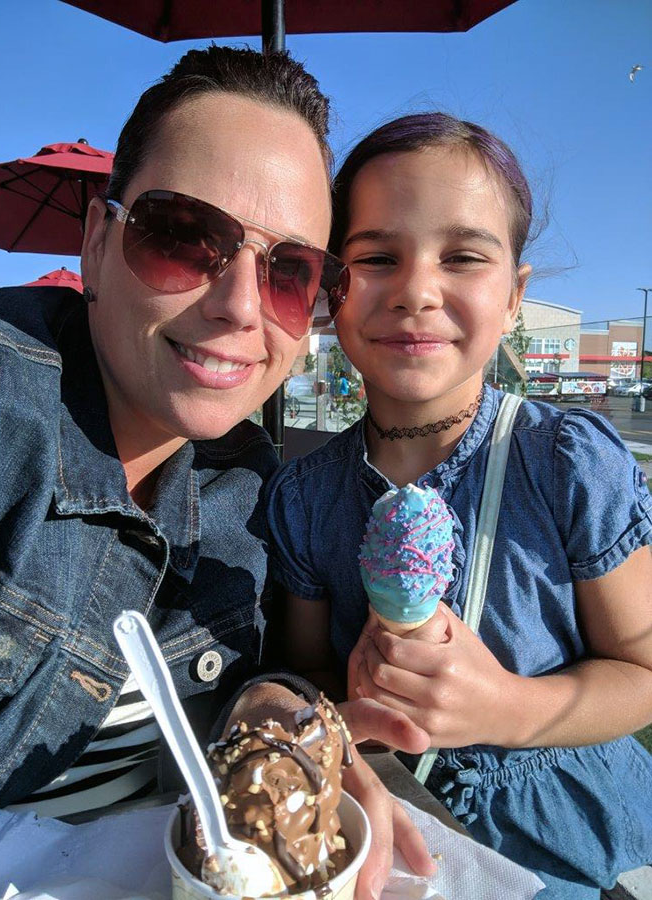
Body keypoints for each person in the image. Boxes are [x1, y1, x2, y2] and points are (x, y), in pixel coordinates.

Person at [0, 49, 435, 895]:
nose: (239, 307)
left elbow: (251, 671)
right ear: (95, 241)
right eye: (184, 237)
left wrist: (269, 718)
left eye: (292, 271)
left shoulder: (247, 481)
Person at [267, 112, 652, 899]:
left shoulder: (566, 464)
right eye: (376, 257)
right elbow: (304, 667)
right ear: (333, 289)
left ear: (513, 297)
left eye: (463, 257)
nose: (415, 291)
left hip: (562, 848)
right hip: (389, 829)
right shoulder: (303, 497)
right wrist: (348, 711)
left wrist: (507, 706)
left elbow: (640, 669)